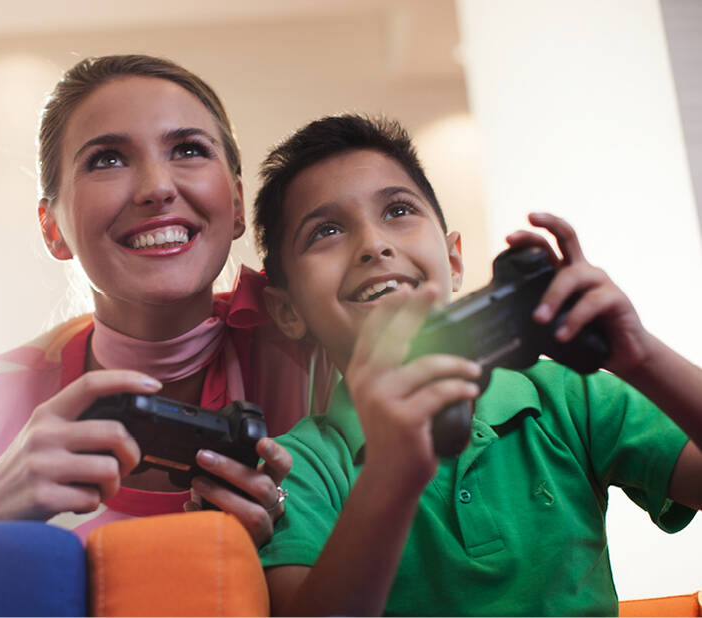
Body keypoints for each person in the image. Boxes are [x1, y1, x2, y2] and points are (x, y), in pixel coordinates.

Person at [0, 55, 330, 617]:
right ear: (53, 228)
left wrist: (299, 524)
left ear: (239, 203)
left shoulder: (315, 350)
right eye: (106, 159)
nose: (156, 186)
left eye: (189, 150)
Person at [251, 114, 702, 616]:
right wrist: (390, 475)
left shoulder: (568, 396)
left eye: (398, 210)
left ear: (456, 260)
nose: (373, 245)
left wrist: (643, 357)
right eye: (327, 230)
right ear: (288, 311)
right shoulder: (295, 470)